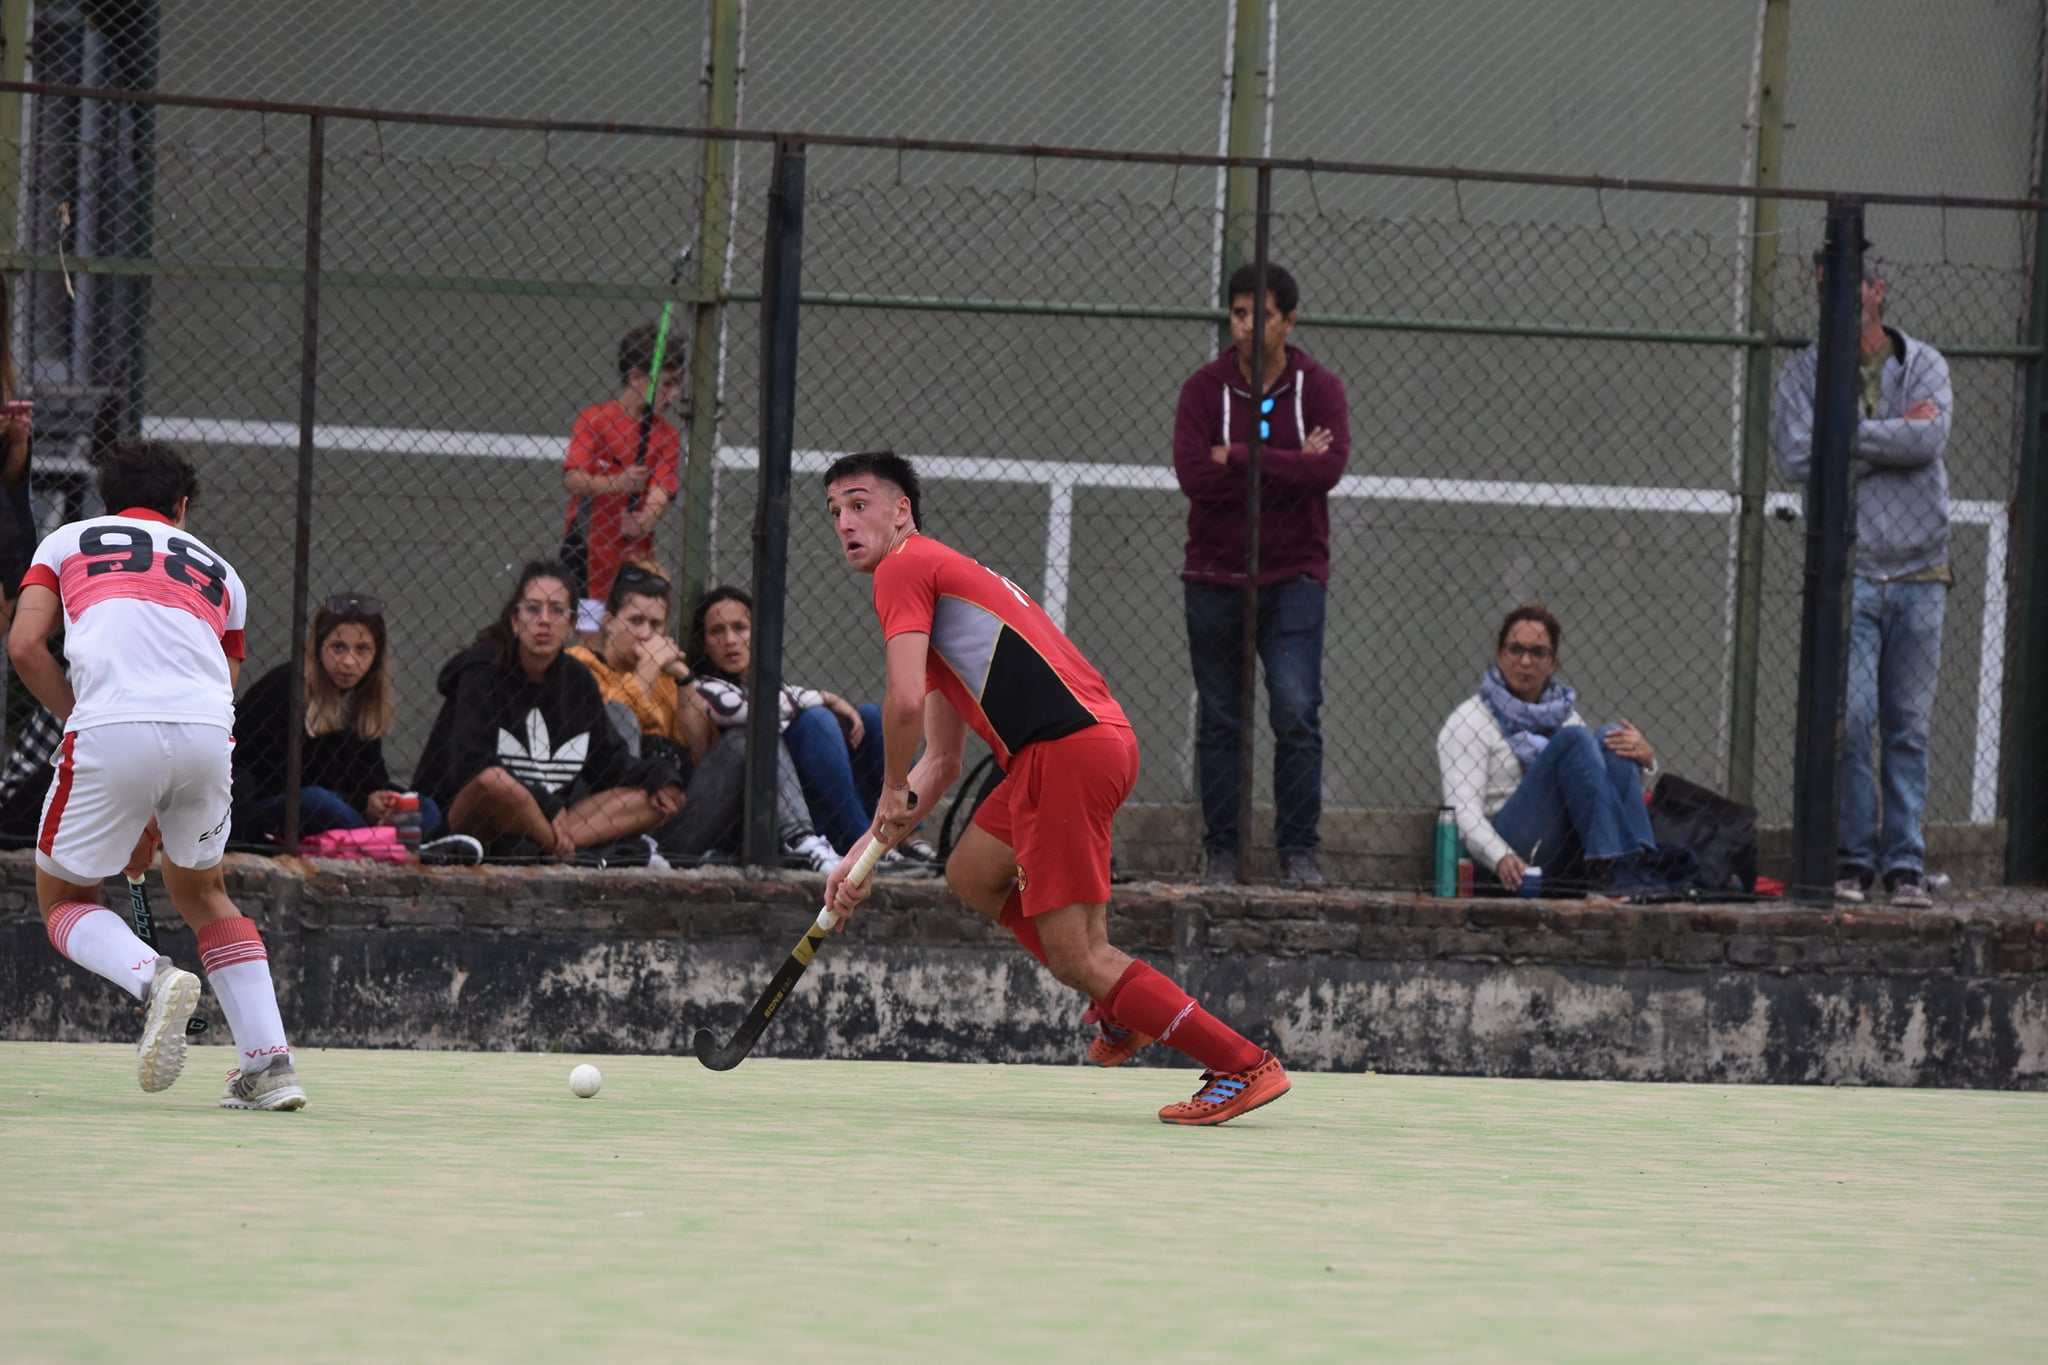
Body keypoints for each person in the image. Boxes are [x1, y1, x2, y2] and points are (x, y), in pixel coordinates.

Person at [821, 451, 1290, 1126]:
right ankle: (1120, 1005)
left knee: (1081, 954)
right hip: (1087, 746)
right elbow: (941, 762)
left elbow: (899, 706)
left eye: (859, 503)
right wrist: (862, 855)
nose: (844, 521)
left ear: (902, 511)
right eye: (834, 510)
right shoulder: (937, 581)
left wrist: (891, 785)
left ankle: (1241, 1063)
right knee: (972, 872)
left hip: (1062, 752)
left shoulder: (903, 567)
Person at [8, 438, 308, 1110]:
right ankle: (270, 1065)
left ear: (106, 500)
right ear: (182, 506)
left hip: (111, 726)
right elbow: (217, 685)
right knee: (205, 891)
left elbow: (25, 647)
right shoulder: (224, 575)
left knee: (65, 901)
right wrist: (153, 795)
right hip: (206, 735)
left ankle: (154, 977)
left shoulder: (65, 542)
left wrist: (92, 726)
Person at [1774, 246, 1952, 909]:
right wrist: (1890, 435)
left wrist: (1843, 436)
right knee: (1852, 723)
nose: (1835, 301)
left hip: (1921, 571)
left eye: (1847, 288)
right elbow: (1795, 457)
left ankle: (1904, 863)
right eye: (1825, 289)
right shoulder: (1804, 372)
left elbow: (1928, 442)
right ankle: (1854, 857)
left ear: (1877, 291)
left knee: (1907, 727)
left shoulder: (1923, 363)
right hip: (1850, 573)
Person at [1172, 262, 1350, 888]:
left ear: (1289, 321)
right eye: (1239, 313)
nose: (1248, 326)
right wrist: (1288, 464)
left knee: (1296, 713)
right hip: (1213, 575)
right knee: (1221, 718)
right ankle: (1222, 852)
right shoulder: (1204, 390)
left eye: (1262, 315)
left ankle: (1299, 852)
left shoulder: (1318, 389)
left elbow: (1327, 471)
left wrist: (1242, 457)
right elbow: (1195, 476)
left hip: (1293, 575)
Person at [411, 561, 685, 863]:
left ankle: (546, 849)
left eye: (556, 610)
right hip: (472, 819)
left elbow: (611, 765)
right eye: (533, 609)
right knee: (495, 782)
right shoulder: (482, 669)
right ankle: (558, 850)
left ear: (572, 624)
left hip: (547, 822)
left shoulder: (578, 680)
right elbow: (472, 766)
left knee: (652, 800)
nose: (544, 620)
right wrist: (546, 805)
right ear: (515, 620)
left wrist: (660, 776)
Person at [229, 591, 477, 864]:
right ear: (318, 647)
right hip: (267, 811)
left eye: (362, 649)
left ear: (376, 654)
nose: (349, 661)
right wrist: (361, 803)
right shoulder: (287, 687)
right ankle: (404, 849)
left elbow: (370, 779)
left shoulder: (361, 698)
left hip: (343, 810)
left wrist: (382, 802)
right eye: (338, 647)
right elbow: (281, 782)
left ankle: (394, 846)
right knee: (318, 802)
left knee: (423, 806)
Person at [1436, 604, 1661, 896]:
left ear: (1552, 662)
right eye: (1515, 649)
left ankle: (1633, 868)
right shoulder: (1470, 721)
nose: (1525, 661)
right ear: (1499, 654)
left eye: (1538, 652)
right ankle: (1619, 872)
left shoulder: (1565, 716)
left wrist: (1647, 763)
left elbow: (1598, 794)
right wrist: (1500, 857)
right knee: (1575, 740)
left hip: (1563, 854)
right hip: (1504, 862)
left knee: (1611, 737)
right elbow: (1463, 812)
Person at [649, 585, 860, 873]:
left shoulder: (770, 689)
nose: (730, 640)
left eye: (740, 628)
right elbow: (744, 709)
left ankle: (892, 842)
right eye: (717, 631)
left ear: (758, 632)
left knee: (868, 719)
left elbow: (776, 701)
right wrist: (826, 698)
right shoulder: (700, 686)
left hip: (763, 816)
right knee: (756, 732)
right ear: (703, 643)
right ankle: (804, 841)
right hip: (698, 820)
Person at [562, 323, 684, 646]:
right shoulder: (595, 420)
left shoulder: (666, 436)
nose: (673, 394)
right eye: (667, 383)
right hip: (587, 551)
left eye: (677, 384)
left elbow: (661, 492)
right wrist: (616, 482)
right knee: (591, 640)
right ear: (635, 377)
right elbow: (573, 478)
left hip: (633, 557)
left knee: (636, 635)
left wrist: (643, 520)